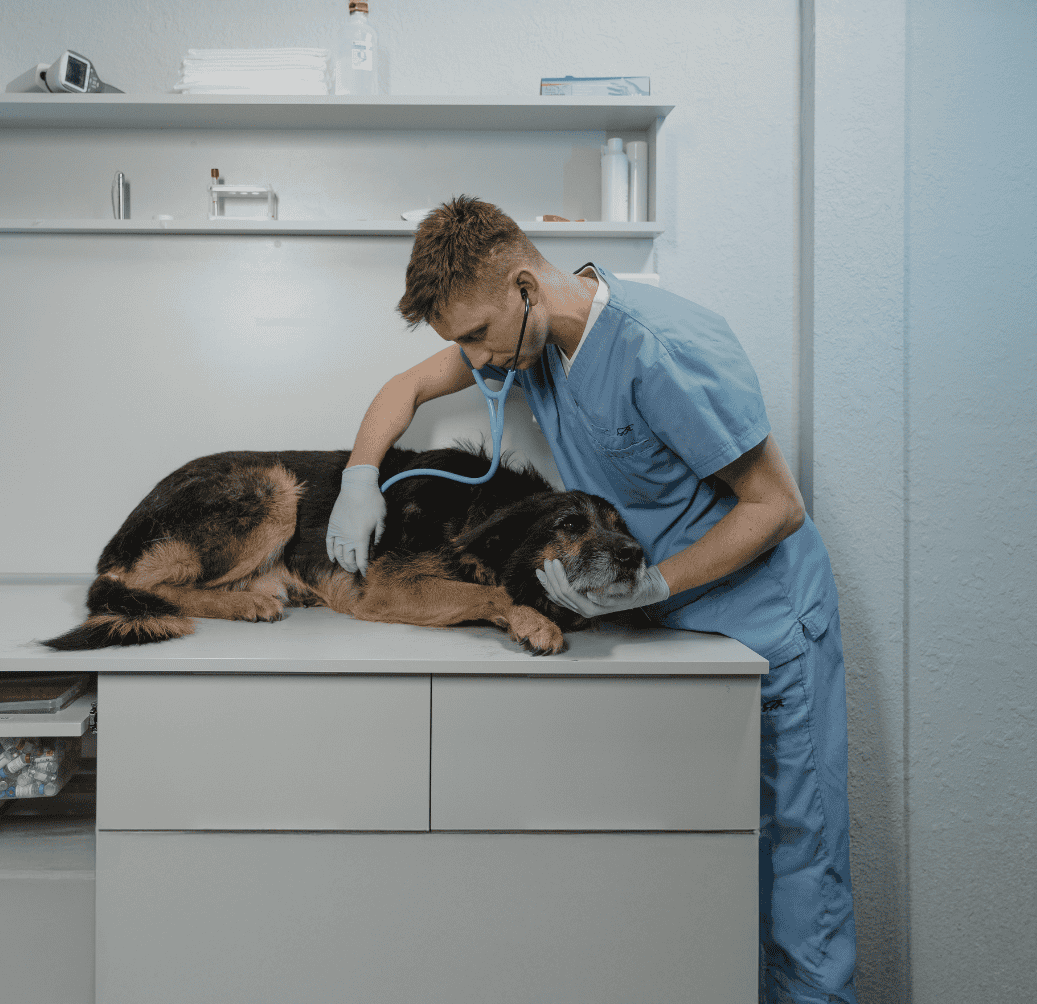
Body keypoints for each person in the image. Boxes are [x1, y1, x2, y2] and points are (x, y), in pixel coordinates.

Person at [326, 196, 858, 1004]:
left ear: (524, 287)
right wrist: (359, 476)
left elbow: (776, 506)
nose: (473, 359)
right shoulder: (526, 340)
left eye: (474, 335)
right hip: (667, 627)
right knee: (701, 864)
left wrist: (654, 586)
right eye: (458, 344)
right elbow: (407, 387)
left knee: (798, 866)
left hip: (763, 622)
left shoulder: (660, 349)